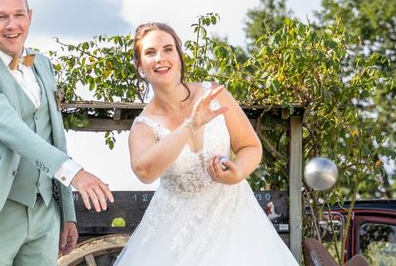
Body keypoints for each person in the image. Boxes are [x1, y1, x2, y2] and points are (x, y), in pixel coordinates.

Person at [0, 0, 114, 266]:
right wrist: (74, 173)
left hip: (43, 214)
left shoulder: (42, 64)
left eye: (19, 15)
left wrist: (67, 214)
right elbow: (9, 127)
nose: (12, 24)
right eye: (1, 17)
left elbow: (55, 137)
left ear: (30, 16)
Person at [114, 22, 298, 265]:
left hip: (236, 223)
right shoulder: (143, 127)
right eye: (150, 53)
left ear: (179, 57)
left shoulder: (214, 94)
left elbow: (250, 147)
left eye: (168, 49)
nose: (160, 58)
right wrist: (191, 124)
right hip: (176, 237)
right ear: (140, 66)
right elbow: (145, 171)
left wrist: (237, 172)